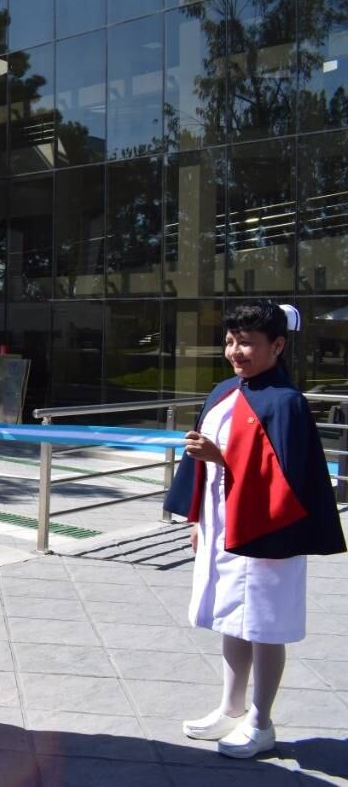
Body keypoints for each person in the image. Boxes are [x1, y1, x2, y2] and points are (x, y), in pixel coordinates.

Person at [166, 301, 346, 759]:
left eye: (246, 343)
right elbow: (204, 462)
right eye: (230, 341)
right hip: (223, 522)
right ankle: (231, 707)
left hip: (269, 528)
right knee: (232, 617)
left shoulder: (286, 402)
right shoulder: (224, 391)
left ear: (277, 345)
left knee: (265, 624)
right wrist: (197, 518)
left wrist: (221, 457)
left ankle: (261, 721)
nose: (235, 351)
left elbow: (286, 478)